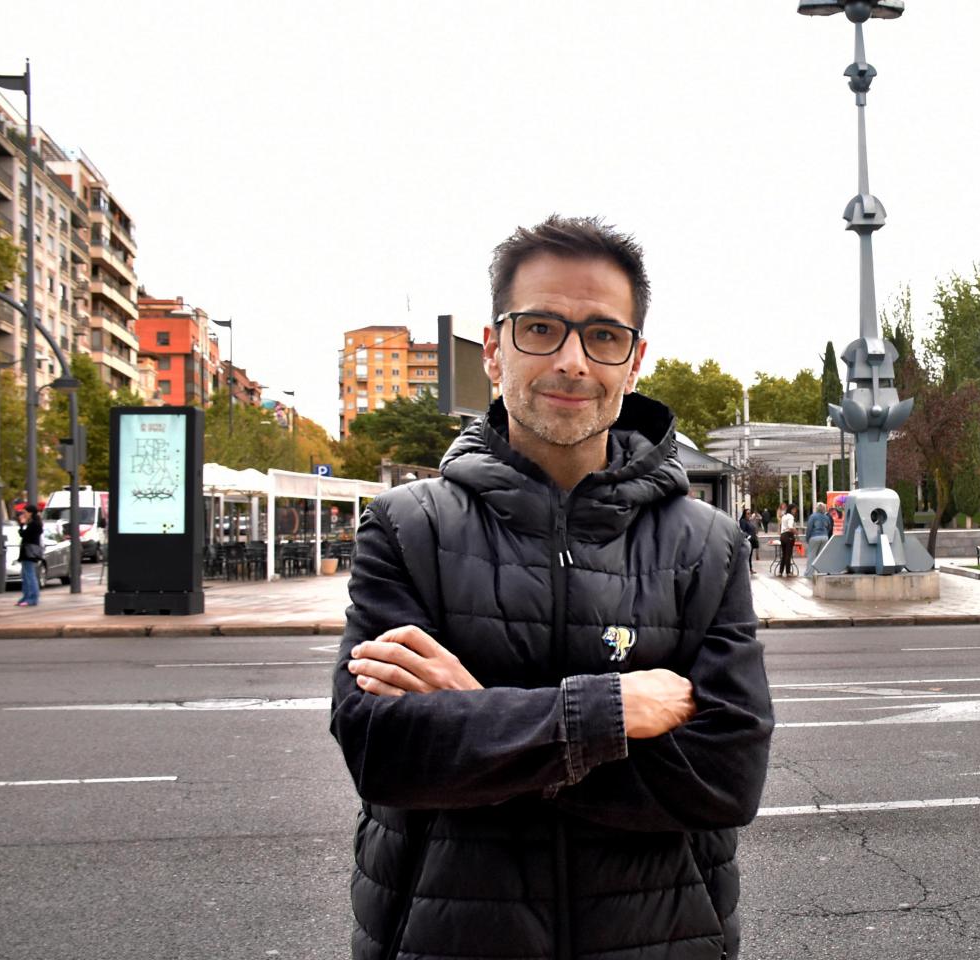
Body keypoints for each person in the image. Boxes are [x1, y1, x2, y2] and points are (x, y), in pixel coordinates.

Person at [330, 215, 774, 960]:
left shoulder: (707, 546)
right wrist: (608, 714)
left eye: (602, 335)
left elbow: (726, 779)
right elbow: (385, 754)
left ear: (634, 362)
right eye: (541, 328)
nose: (572, 360)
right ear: (495, 348)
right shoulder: (409, 528)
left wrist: (477, 722)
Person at [16, 504, 43, 606]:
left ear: (30, 513)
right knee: (25, 574)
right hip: (27, 551)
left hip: (29, 552)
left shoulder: (34, 524)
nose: (24, 514)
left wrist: (22, 525)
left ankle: (32, 597)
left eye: (25, 512)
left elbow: (24, 535)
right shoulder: (33, 523)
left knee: (30, 575)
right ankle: (26, 596)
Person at [804, 501, 832, 576]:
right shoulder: (826, 517)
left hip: (814, 537)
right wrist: (825, 534)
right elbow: (829, 527)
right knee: (821, 556)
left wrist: (807, 538)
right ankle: (822, 572)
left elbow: (809, 528)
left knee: (811, 555)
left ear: (816, 509)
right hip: (825, 537)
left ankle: (809, 574)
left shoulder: (813, 516)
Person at [777, 502, 797, 577]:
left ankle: (780, 571)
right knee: (788, 554)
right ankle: (788, 572)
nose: (795, 511)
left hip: (782, 536)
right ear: (792, 510)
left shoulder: (784, 516)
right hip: (788, 536)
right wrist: (795, 531)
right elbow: (790, 527)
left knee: (784, 554)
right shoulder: (791, 517)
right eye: (795, 510)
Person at [738, 509, 760, 573]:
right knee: (747, 555)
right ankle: (747, 569)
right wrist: (748, 536)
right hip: (748, 540)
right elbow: (743, 531)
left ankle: (750, 568)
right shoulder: (743, 521)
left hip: (752, 540)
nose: (749, 515)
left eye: (750, 513)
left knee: (750, 555)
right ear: (744, 514)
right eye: (747, 513)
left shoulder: (749, 521)